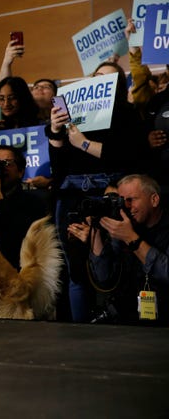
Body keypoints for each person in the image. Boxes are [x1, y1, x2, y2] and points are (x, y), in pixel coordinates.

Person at [47, 61, 148, 322]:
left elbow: (128, 157)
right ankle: (80, 335)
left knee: (111, 266)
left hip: (109, 191)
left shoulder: (127, 114)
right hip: (71, 195)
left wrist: (83, 143)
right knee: (76, 272)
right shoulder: (73, 114)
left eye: (108, 79)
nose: (100, 80)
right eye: (96, 75)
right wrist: (56, 132)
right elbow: (59, 169)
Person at [87, 174, 168, 325]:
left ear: (154, 200)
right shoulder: (125, 225)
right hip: (127, 318)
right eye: (122, 201)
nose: (126, 206)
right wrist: (96, 233)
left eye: (131, 199)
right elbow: (105, 279)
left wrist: (131, 238)